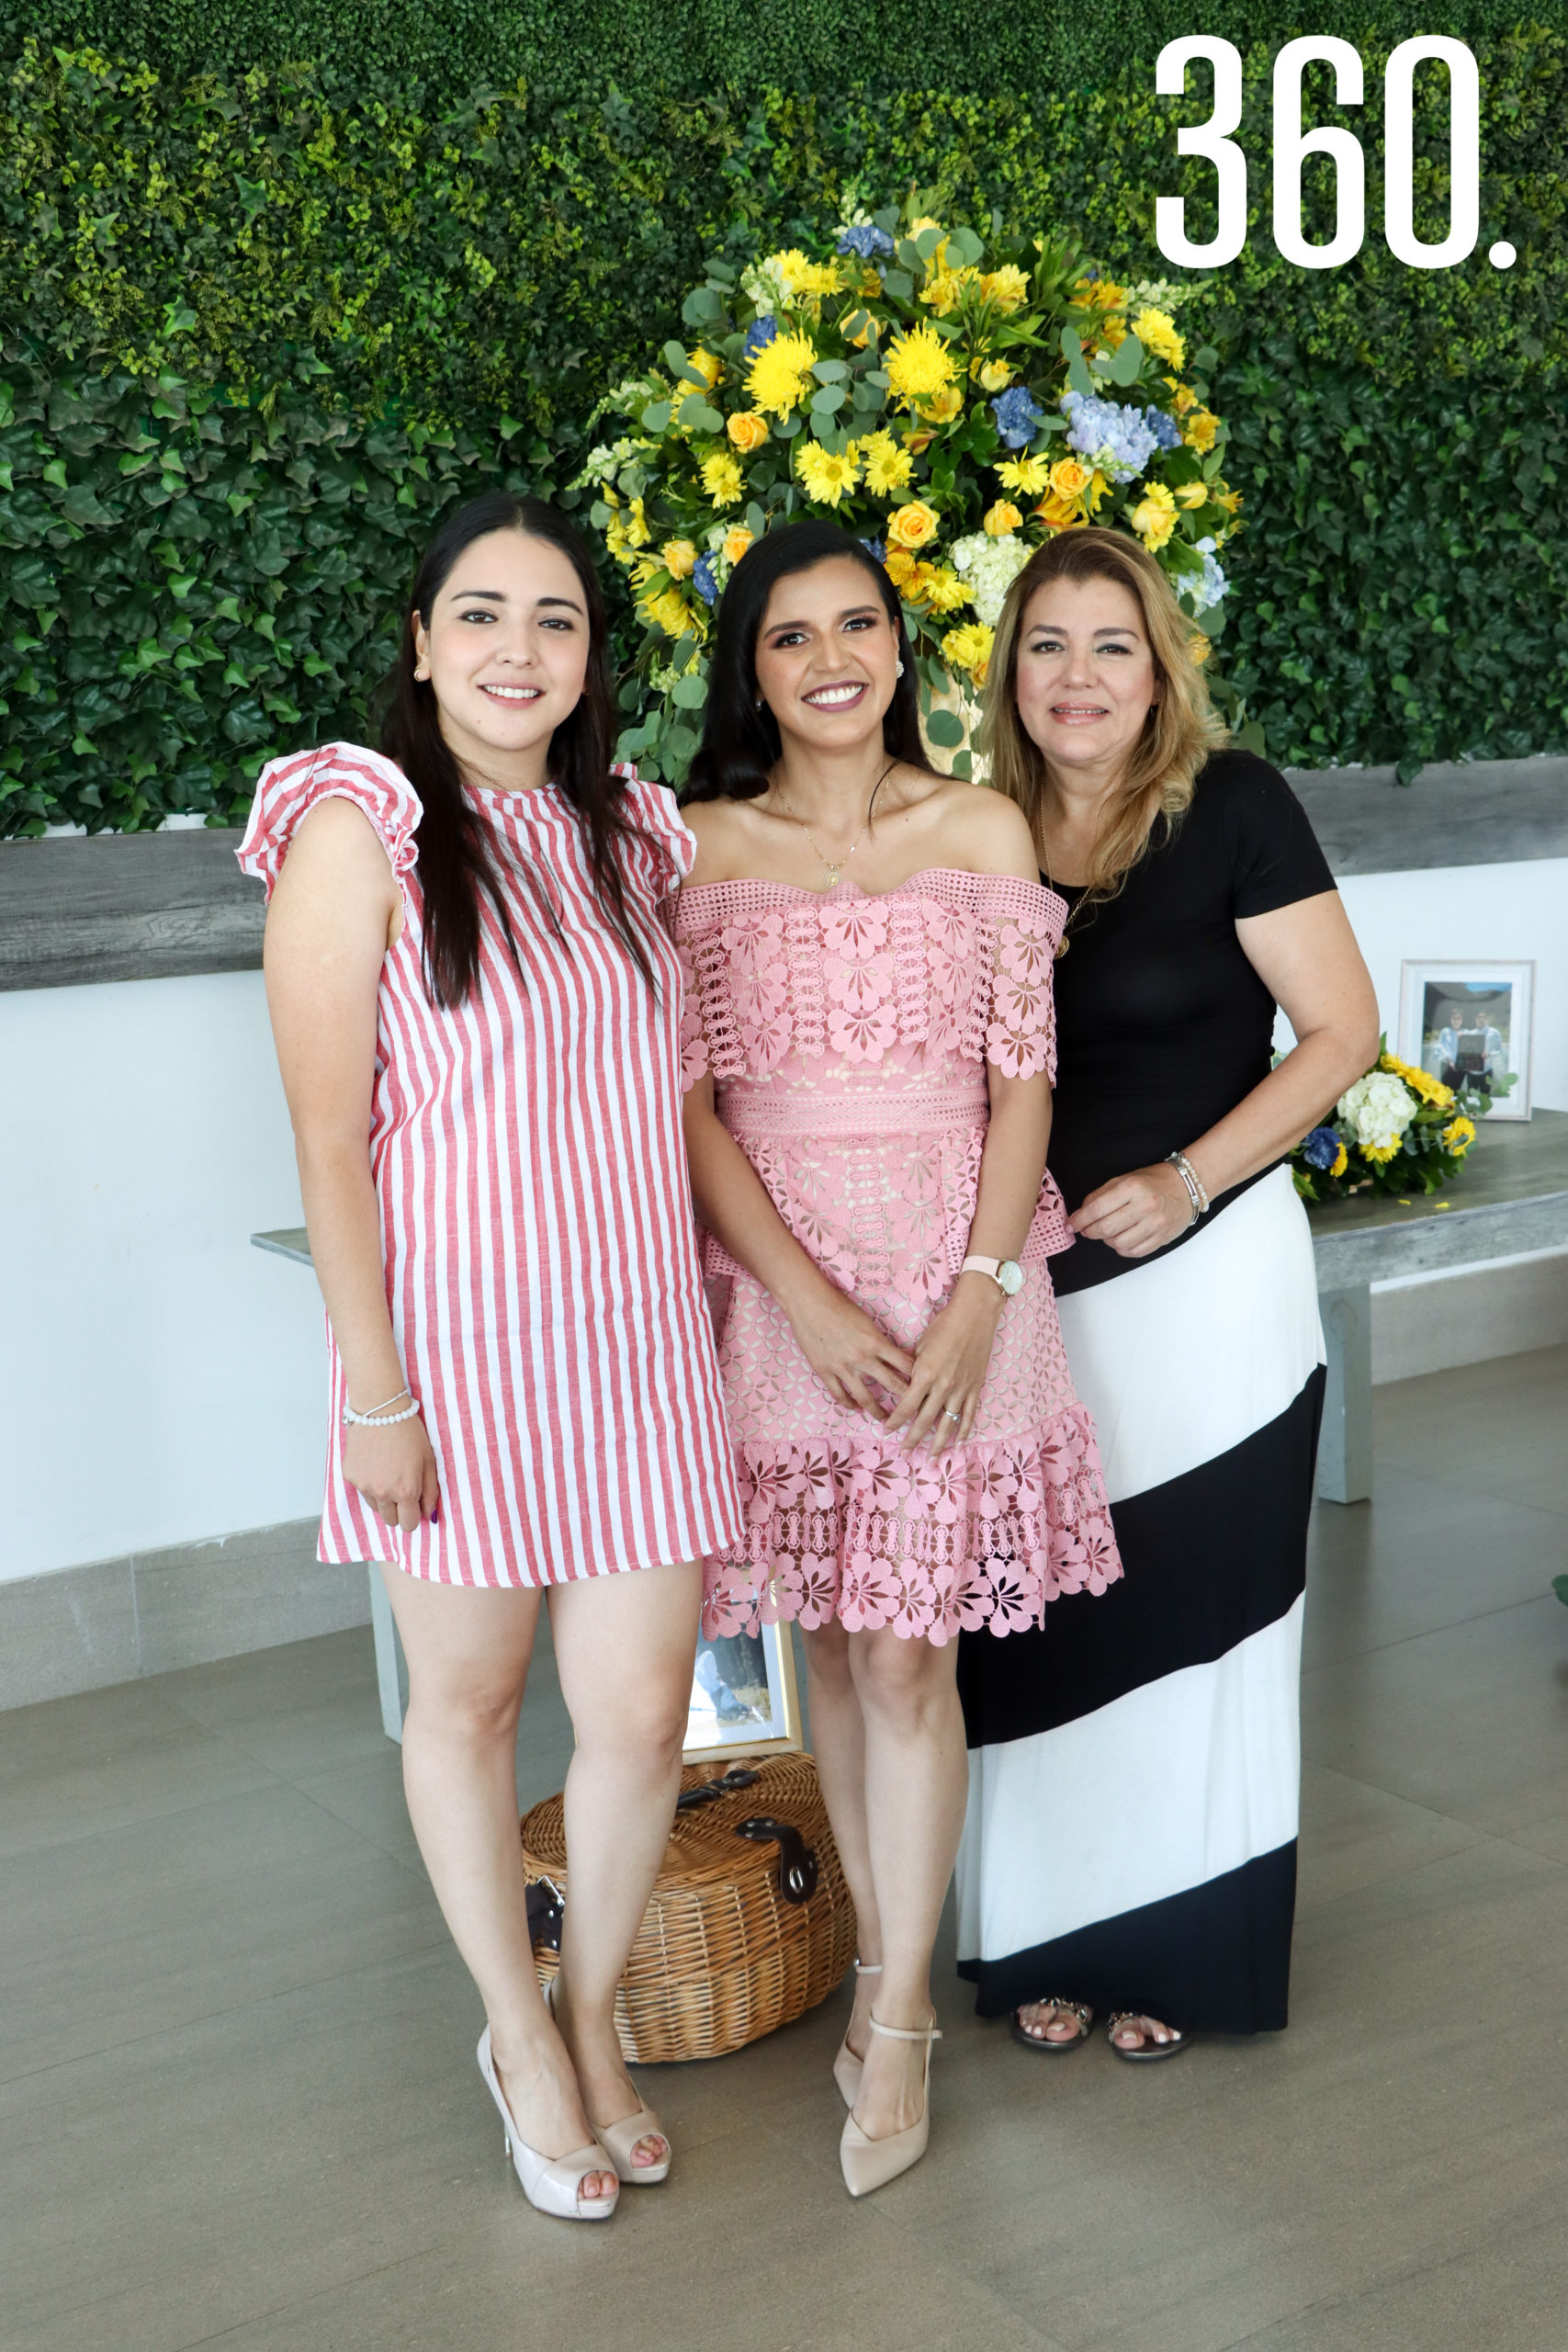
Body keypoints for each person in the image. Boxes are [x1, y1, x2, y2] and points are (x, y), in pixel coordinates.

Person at [239, 493, 741, 2221]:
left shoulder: (630, 839)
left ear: (592, 655)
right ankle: (517, 2042)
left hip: (638, 1343)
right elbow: (325, 1145)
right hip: (447, 1362)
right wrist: (374, 1392)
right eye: (481, 613)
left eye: (554, 620)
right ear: (422, 639)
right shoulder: (358, 827)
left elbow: (671, 1104)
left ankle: (588, 2023)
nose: (517, 650)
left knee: (641, 1716)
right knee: (468, 1707)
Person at [665, 520, 1121, 2194]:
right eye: (794, 637)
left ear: (900, 652)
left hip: (958, 1273)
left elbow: (1024, 1083)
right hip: (792, 1290)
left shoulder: (982, 823)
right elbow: (692, 1107)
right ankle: (876, 1967)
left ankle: (904, 2011)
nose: (834, 658)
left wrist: (986, 1289)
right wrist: (798, 1297)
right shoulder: (699, 848)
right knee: (841, 1650)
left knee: (915, 1659)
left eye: (861, 624)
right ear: (754, 668)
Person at [954, 526, 1379, 2062]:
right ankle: (1044, 1946)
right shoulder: (974, 825)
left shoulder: (1237, 808)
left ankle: (1186, 1958)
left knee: (1202, 1621)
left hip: (1209, 1286)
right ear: (1010, 669)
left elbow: (1340, 1034)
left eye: (1111, 646)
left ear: (1160, 671)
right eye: (1049, 645)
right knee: (1043, 1623)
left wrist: (1190, 1180)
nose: (1078, 677)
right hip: (1025, 1293)